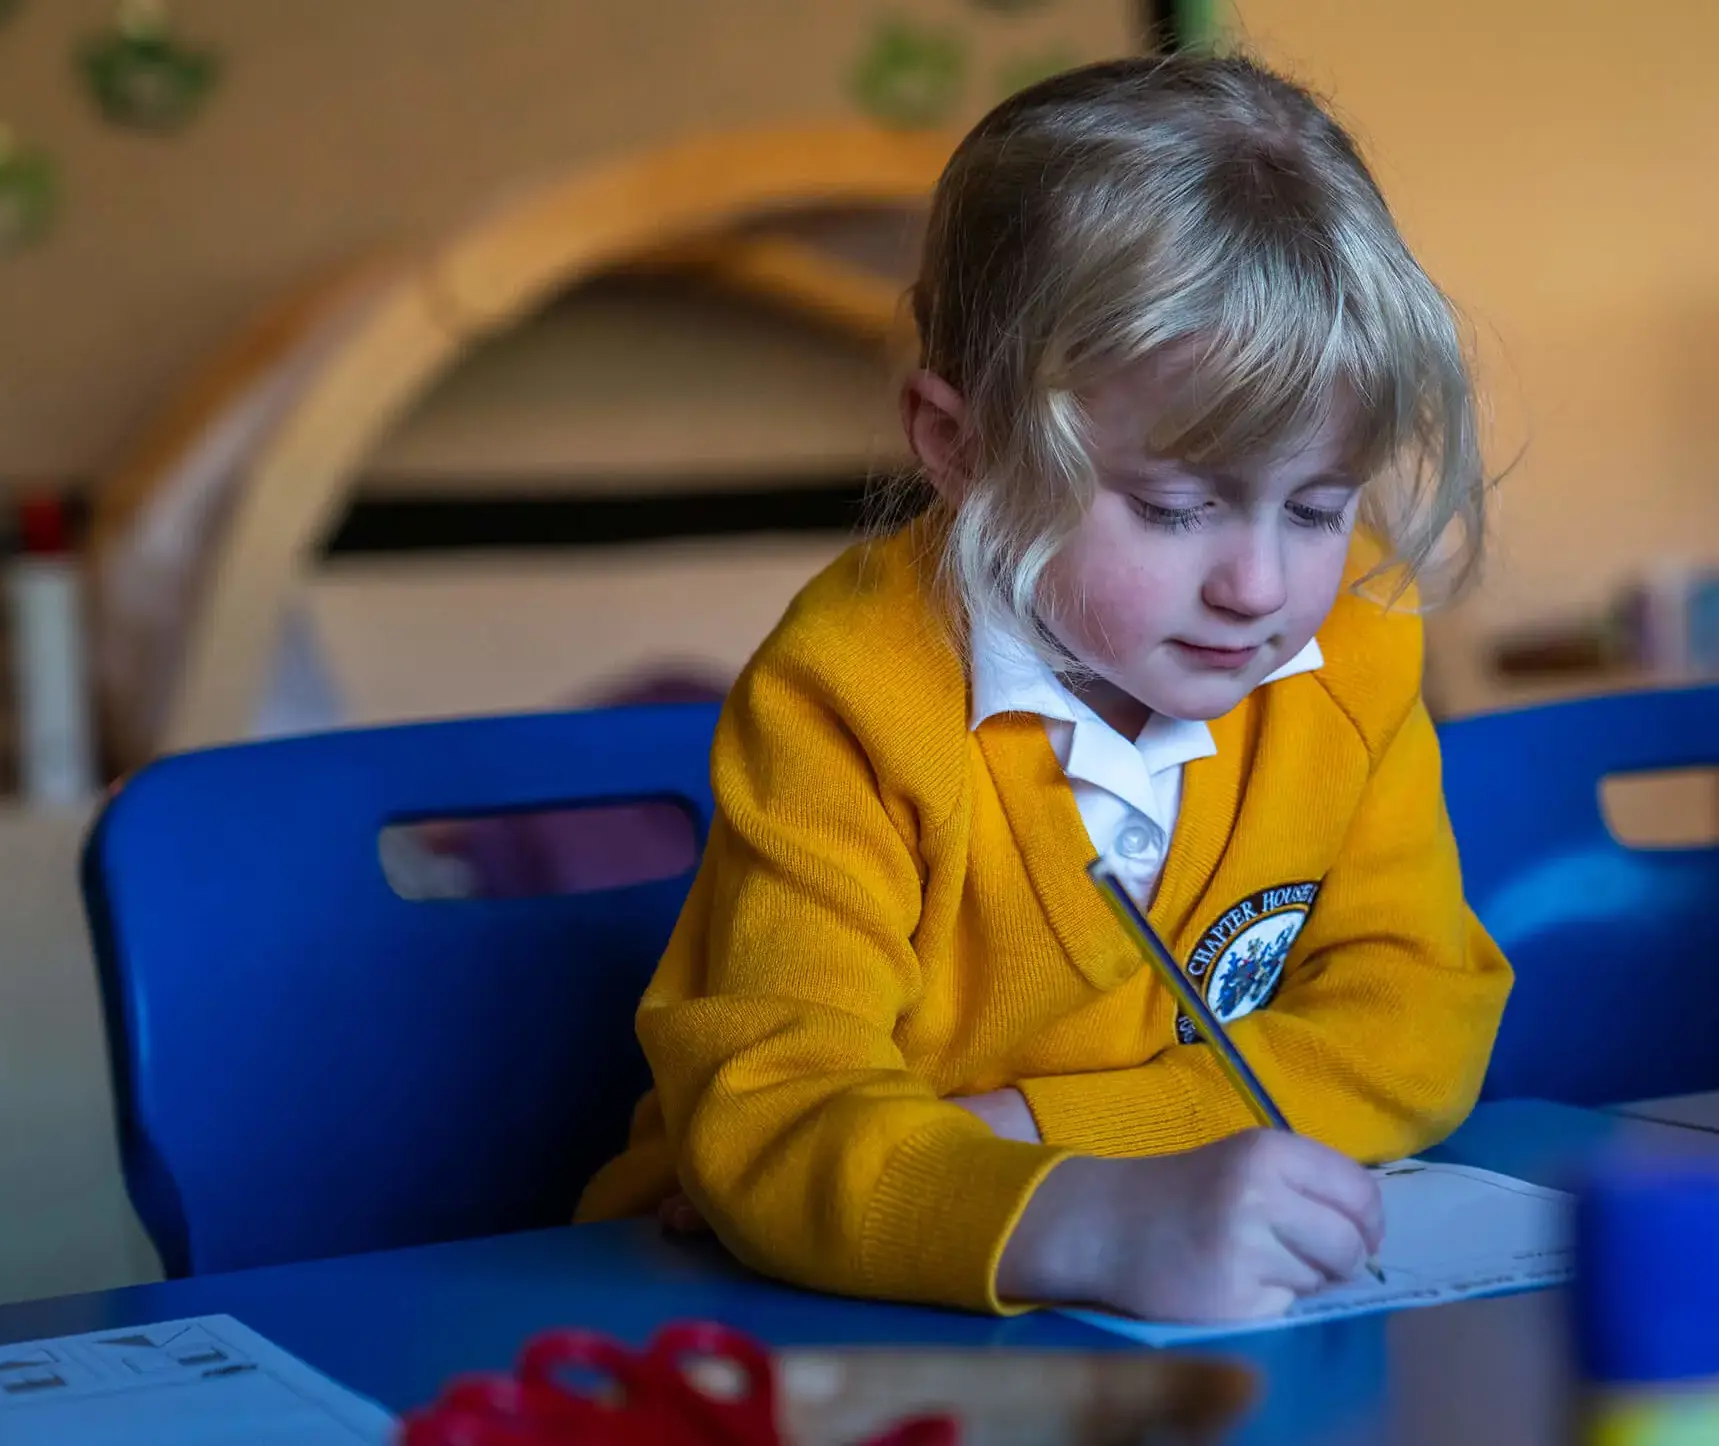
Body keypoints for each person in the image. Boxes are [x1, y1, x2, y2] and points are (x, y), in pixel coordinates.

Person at [576, 53, 1513, 1323]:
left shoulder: (1350, 652)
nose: (1260, 583)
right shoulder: (847, 696)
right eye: (1176, 507)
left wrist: (1035, 1131)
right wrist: (1085, 1213)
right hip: (759, 1303)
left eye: (1316, 504)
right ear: (960, 448)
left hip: (1140, 1281)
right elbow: (771, 1120)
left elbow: (1417, 1018)